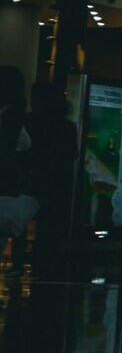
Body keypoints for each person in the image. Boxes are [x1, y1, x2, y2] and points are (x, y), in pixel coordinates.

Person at [24, 82, 79, 274]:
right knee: (50, 228)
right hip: (57, 184)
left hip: (31, 179)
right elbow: (72, 154)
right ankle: (46, 263)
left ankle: (20, 262)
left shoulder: (28, 121)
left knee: (20, 221)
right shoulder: (66, 127)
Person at [0, 67, 29, 274]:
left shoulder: (9, 113)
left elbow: (8, 144)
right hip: (13, 173)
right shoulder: (16, 111)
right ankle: (17, 263)